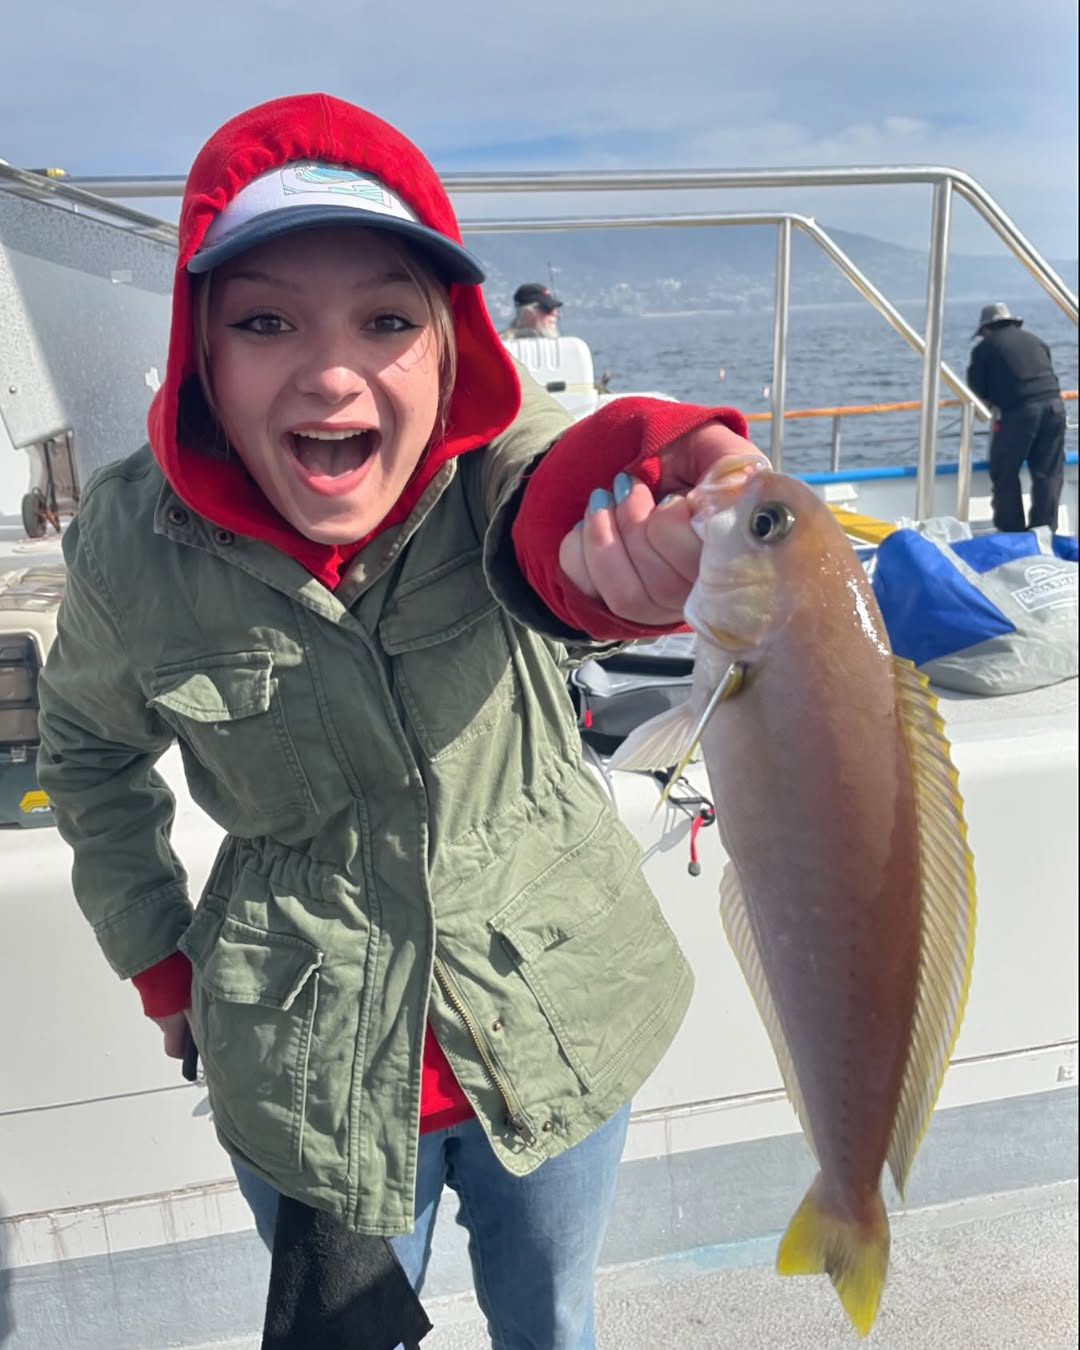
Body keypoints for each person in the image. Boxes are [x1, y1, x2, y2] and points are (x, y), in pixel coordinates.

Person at [36, 93, 767, 1350]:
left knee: (551, 1314)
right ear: (202, 356)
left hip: (558, 1024)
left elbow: (562, 497)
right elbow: (92, 755)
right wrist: (161, 962)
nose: (329, 372)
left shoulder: (488, 465)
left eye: (387, 320)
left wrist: (658, 492)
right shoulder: (127, 537)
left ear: (452, 352)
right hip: (301, 1066)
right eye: (263, 321)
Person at [966, 302, 1066, 532]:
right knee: (1048, 472)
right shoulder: (1035, 340)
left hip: (1020, 412)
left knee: (1005, 471)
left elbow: (977, 388)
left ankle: (1012, 532)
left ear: (986, 329)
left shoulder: (985, 348)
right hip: (1055, 407)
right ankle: (1044, 531)